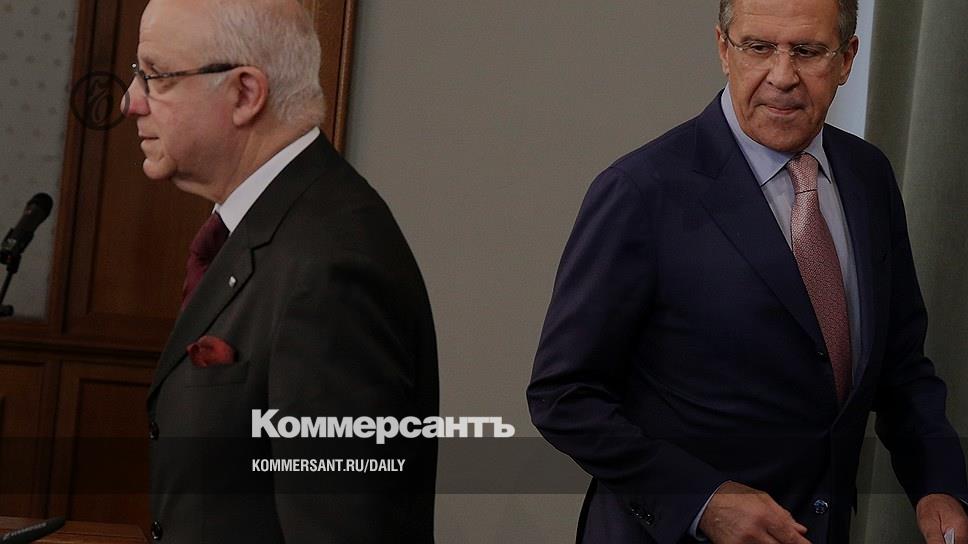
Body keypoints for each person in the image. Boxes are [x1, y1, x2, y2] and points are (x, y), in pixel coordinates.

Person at [527, 0, 968, 542]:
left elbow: (900, 365)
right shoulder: (641, 191)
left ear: (847, 58)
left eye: (807, 51)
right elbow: (563, 396)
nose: (782, 76)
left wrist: (938, 483)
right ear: (723, 49)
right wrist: (701, 501)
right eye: (759, 48)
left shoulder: (868, 176)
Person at [122, 0, 438, 542]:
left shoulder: (331, 266)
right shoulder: (270, 226)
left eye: (157, 76)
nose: (132, 101)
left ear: (245, 93)